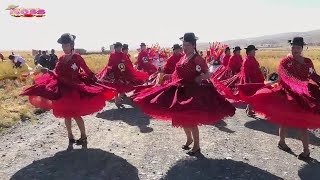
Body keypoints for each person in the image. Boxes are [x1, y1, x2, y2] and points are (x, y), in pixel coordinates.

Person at [132, 33, 235, 156]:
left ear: (193, 45)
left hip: (192, 92)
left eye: (186, 45)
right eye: (183, 45)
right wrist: (168, 76)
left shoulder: (197, 58)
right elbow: (177, 73)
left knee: (191, 120)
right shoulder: (183, 57)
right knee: (181, 118)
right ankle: (189, 139)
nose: (184, 47)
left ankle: (196, 146)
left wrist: (200, 77)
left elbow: (208, 73)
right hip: (180, 89)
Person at [20, 33, 116, 145]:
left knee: (75, 114)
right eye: (63, 46)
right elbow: (56, 73)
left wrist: (96, 79)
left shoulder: (77, 58)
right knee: (66, 114)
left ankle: (83, 136)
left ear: (71, 45)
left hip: (74, 89)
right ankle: (70, 136)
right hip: (63, 89)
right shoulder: (61, 58)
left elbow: (87, 70)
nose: (64, 48)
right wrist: (47, 71)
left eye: (66, 45)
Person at [245, 37, 320, 160]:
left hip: (304, 96)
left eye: (298, 47)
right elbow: (284, 77)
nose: (295, 50)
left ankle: (306, 151)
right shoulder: (285, 62)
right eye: (293, 47)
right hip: (289, 95)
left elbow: (313, 75)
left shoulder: (307, 61)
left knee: (303, 123)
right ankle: (282, 142)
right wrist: (271, 83)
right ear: (290, 47)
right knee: (285, 120)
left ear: (302, 48)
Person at [96, 42, 149, 108]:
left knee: (125, 86)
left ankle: (119, 98)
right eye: (118, 48)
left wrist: (127, 68)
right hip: (114, 73)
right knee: (114, 87)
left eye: (120, 48)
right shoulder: (112, 54)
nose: (119, 49)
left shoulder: (122, 54)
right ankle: (116, 99)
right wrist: (112, 69)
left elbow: (127, 63)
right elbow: (109, 64)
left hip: (123, 73)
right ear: (115, 48)